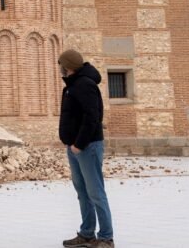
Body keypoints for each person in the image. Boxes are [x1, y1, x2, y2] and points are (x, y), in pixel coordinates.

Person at [58, 49, 114, 248]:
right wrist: (71, 144)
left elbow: (93, 117)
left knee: (96, 192)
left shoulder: (85, 85)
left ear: (68, 66)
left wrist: (79, 144)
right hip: (74, 147)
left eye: (62, 65)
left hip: (87, 147)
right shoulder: (73, 85)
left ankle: (106, 238)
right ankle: (87, 234)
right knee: (82, 192)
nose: (60, 69)